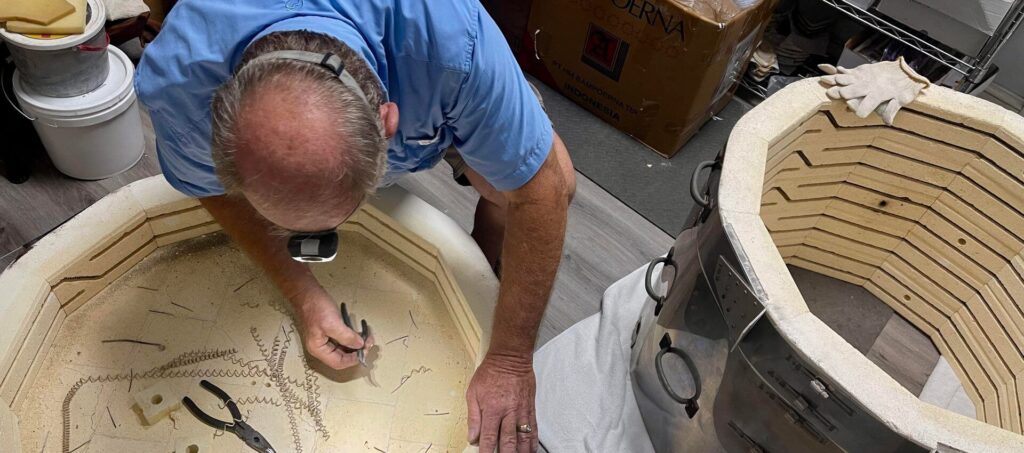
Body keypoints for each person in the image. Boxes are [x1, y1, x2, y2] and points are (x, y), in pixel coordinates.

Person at [135, 1, 575, 451]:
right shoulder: (181, 85)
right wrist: (304, 294)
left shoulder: (451, 41)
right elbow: (209, 189)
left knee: (538, 178)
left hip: (434, 83)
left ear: (388, 125)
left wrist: (509, 360)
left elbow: (542, 193)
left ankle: (485, 254)